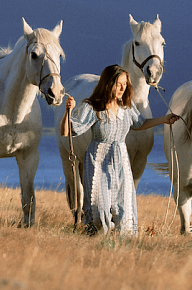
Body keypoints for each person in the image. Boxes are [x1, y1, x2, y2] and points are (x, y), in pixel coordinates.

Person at [60, 63, 180, 236]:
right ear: (108, 83)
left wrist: (164, 119)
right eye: (118, 84)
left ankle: (122, 246)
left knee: (123, 205)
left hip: (121, 161)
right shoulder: (93, 107)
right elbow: (67, 131)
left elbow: (139, 123)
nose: (123, 88)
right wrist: (68, 111)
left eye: (125, 83)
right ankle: (97, 241)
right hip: (97, 161)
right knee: (99, 206)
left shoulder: (126, 108)